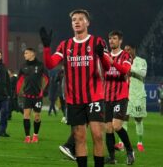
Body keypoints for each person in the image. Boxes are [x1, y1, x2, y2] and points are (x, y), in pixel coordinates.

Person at [41, 9, 112, 167]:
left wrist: (101, 56)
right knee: (79, 137)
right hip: (74, 98)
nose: (77, 21)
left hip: (94, 96)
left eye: (81, 19)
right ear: (71, 23)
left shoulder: (97, 42)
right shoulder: (65, 45)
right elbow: (50, 64)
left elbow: (107, 67)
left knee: (97, 135)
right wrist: (46, 47)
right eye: (74, 19)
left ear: (87, 23)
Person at [103, 30, 135, 164]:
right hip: (106, 97)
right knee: (108, 128)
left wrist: (112, 62)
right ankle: (111, 157)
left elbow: (125, 71)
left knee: (116, 126)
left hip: (120, 96)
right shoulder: (105, 56)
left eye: (114, 38)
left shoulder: (126, 55)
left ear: (120, 41)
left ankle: (129, 151)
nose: (111, 41)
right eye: (110, 39)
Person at [16, 48, 49, 143]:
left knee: (37, 116)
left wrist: (44, 90)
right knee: (26, 115)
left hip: (37, 96)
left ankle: (35, 135)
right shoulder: (23, 66)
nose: (24, 55)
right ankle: (27, 137)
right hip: (27, 96)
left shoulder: (40, 65)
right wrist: (17, 92)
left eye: (26, 53)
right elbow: (19, 81)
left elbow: (47, 78)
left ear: (32, 54)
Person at [122, 45, 147, 152]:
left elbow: (143, 73)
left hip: (138, 95)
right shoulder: (123, 62)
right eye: (125, 50)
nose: (127, 51)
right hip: (125, 94)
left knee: (138, 119)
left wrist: (130, 68)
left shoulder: (141, 61)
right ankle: (121, 143)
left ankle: (140, 142)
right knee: (123, 119)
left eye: (129, 49)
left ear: (134, 49)